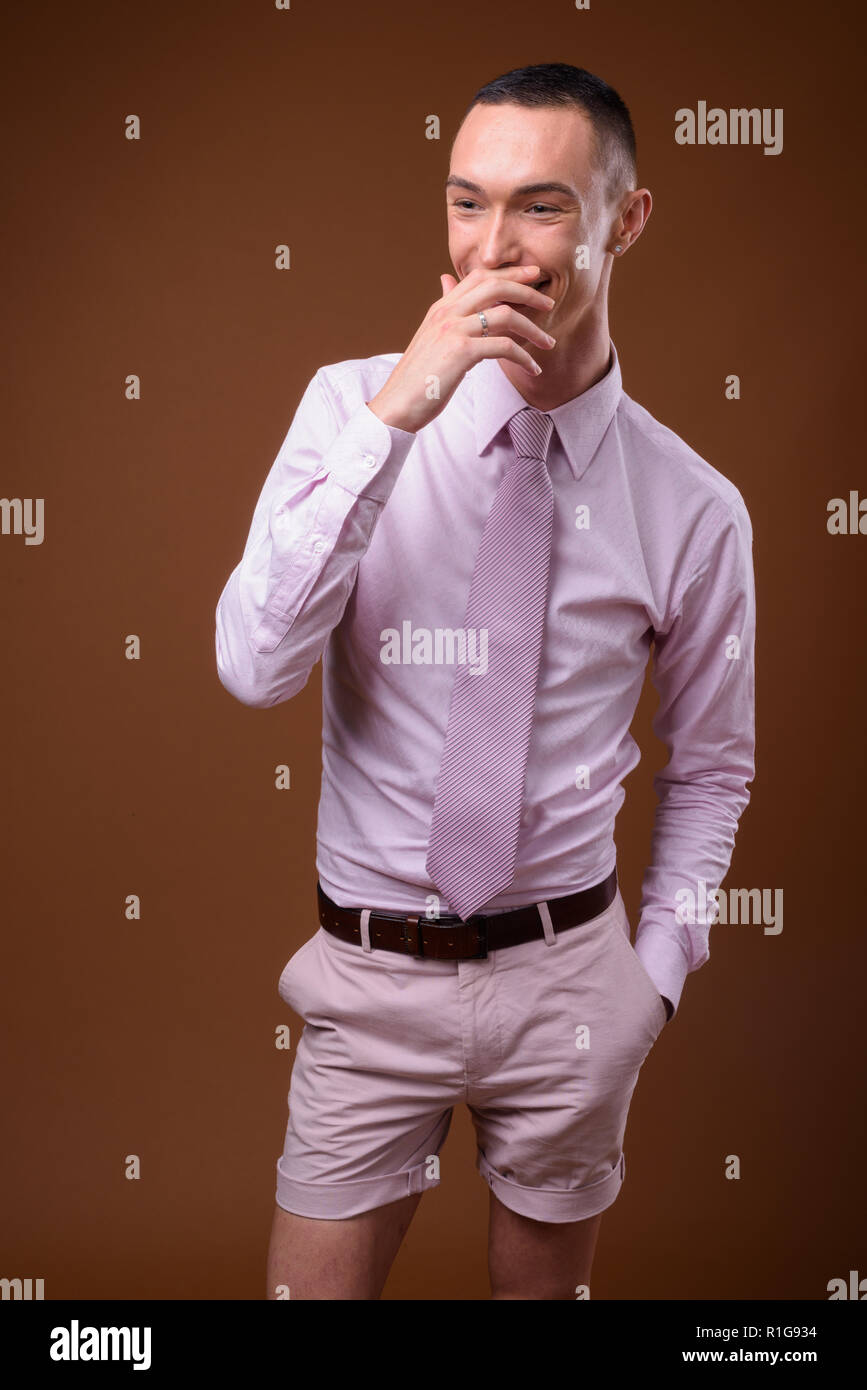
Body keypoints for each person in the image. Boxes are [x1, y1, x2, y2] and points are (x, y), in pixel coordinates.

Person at [214, 62, 756, 1301]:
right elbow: (253, 667)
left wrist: (654, 976)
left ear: (627, 221)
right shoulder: (348, 410)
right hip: (370, 979)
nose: (492, 248)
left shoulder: (693, 509)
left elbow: (716, 764)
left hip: (571, 984)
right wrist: (397, 416)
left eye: (541, 207)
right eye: (467, 203)